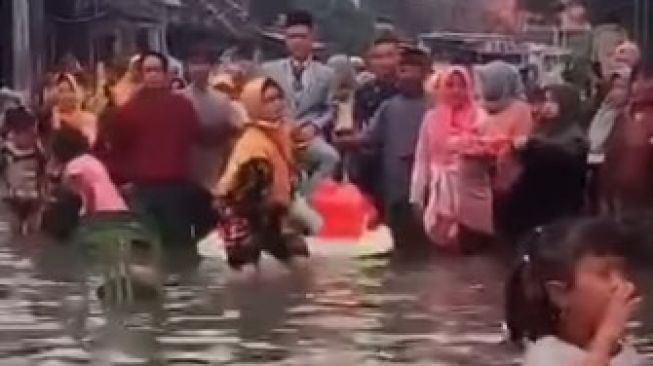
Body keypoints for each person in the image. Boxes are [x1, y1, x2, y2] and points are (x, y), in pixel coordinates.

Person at [505, 217, 645, 366]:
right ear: (560, 294)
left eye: (622, 272)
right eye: (604, 274)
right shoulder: (546, 355)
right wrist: (605, 340)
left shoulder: (624, 352)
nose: (622, 284)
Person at [339, 48, 430, 250]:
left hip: (427, 181)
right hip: (394, 179)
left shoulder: (434, 107)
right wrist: (347, 141)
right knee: (396, 232)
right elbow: (369, 137)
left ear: (425, 73)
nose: (407, 77)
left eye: (413, 71)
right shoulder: (389, 107)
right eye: (403, 71)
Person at [214, 77, 308, 271]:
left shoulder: (279, 132)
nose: (277, 104)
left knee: (299, 262)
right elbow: (246, 193)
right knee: (246, 273)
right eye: (268, 100)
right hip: (245, 214)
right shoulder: (252, 144)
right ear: (254, 104)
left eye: (278, 98)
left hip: (273, 213)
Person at [109, 51, 199, 247]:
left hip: (175, 189)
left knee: (179, 246)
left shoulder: (182, 107)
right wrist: (123, 180)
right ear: (141, 75)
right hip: (143, 189)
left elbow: (193, 138)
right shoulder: (128, 111)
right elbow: (119, 147)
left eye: (157, 70)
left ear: (166, 74)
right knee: (143, 248)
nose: (153, 75)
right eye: (148, 71)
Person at [410, 66, 496, 251]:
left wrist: (478, 151)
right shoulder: (431, 119)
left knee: (473, 253)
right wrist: (416, 197)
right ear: (440, 88)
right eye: (450, 85)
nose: (456, 91)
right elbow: (422, 159)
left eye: (462, 86)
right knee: (442, 256)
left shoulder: (481, 119)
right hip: (439, 195)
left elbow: (493, 156)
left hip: (473, 195)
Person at [262, 10, 340, 194]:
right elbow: (259, 103)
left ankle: (310, 200)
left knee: (331, 158)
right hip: (277, 133)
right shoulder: (269, 70)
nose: (297, 41)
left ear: (312, 38)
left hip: (308, 137)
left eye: (302, 36)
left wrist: (315, 125)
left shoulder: (326, 74)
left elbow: (331, 108)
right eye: (292, 37)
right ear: (285, 40)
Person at [503, 84, 588, 241]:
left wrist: (531, 144)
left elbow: (564, 154)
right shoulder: (543, 127)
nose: (548, 106)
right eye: (546, 100)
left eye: (554, 101)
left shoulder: (574, 134)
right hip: (534, 204)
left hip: (557, 207)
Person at [178, 45, 241, 239]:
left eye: (203, 64)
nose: (198, 69)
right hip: (188, 167)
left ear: (211, 68)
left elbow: (235, 130)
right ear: (187, 68)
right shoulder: (180, 99)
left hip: (216, 164)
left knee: (212, 225)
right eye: (194, 64)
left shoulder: (223, 100)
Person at [474, 61, 534, 236]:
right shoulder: (476, 107)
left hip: (509, 181)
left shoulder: (520, 109)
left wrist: (498, 149)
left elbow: (522, 141)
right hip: (478, 178)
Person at [352, 36, 401, 203]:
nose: (384, 62)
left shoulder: (411, 91)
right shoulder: (363, 92)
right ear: (369, 62)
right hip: (369, 163)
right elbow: (357, 124)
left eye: (389, 55)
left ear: (399, 57)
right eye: (378, 57)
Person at [51, 126, 128, 216]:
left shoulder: (75, 167)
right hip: (119, 211)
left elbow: (74, 198)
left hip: (102, 215)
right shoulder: (90, 160)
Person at [1, 107, 45, 235]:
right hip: (12, 199)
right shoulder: (5, 152)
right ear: (14, 133)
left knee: (34, 232)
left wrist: (42, 193)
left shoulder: (38, 151)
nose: (34, 136)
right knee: (13, 231)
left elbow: (42, 173)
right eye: (30, 133)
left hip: (33, 198)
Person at [51, 73, 98, 147]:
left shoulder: (90, 118)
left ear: (75, 92)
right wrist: (56, 123)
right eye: (61, 91)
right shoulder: (51, 120)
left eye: (69, 90)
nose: (65, 95)